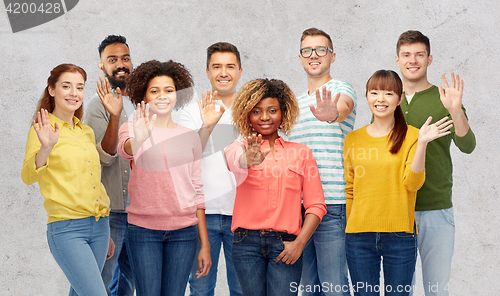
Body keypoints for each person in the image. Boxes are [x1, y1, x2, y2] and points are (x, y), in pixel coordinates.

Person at [344, 70, 453, 296]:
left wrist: (422, 143)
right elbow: (350, 189)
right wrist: (350, 227)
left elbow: (413, 184)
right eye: (374, 92)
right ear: (367, 97)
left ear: (399, 99)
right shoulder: (352, 139)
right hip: (358, 236)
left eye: (388, 93)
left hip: (400, 235)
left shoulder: (413, 136)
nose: (380, 99)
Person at [116, 60, 211, 295]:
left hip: (184, 231)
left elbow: (197, 189)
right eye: (154, 91)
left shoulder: (189, 136)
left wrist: (205, 244)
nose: (162, 96)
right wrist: (140, 137)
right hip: (143, 230)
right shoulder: (132, 127)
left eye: (169, 90)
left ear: (177, 94)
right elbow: (125, 150)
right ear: (144, 95)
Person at [225, 78, 327, 296]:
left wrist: (299, 244)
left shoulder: (301, 152)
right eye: (256, 111)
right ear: (247, 114)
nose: (264, 117)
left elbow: (316, 205)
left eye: (272, 110)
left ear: (283, 113)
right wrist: (247, 159)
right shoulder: (239, 147)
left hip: (286, 245)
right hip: (246, 244)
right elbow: (234, 160)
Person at [21, 63, 115, 296]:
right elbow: (27, 176)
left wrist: (106, 229)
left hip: (100, 226)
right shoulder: (42, 129)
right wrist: (46, 148)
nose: (74, 93)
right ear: (52, 90)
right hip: (67, 229)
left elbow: (93, 180)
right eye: (66, 86)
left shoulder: (85, 131)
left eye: (80, 87)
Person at [394, 30, 476, 296]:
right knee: (398, 290)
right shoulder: (386, 99)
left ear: (429, 59)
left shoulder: (444, 98)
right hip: (396, 210)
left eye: (419, 54)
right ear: (397, 60)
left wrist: (455, 110)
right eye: (406, 55)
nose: (413, 60)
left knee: (436, 290)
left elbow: (467, 145)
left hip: (435, 209)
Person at [288, 28, 356, 296]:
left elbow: (344, 107)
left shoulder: (339, 89)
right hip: (298, 207)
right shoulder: (293, 103)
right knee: (306, 289)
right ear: (301, 57)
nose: (313, 55)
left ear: (332, 56)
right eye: (307, 50)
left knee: (334, 288)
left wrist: (331, 114)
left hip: (332, 204)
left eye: (321, 50)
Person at [177, 42, 243, 296]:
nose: (223, 72)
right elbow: (185, 156)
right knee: (201, 289)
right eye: (217, 66)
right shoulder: (190, 110)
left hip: (242, 216)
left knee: (243, 289)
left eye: (230, 66)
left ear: (239, 71)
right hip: (201, 216)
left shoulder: (252, 110)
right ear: (207, 72)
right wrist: (207, 126)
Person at [84, 34, 135, 296]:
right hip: (111, 212)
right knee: (100, 283)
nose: (121, 64)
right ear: (101, 66)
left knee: (126, 285)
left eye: (125, 58)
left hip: (138, 213)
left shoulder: (140, 102)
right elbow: (102, 158)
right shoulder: (97, 106)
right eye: (112, 59)